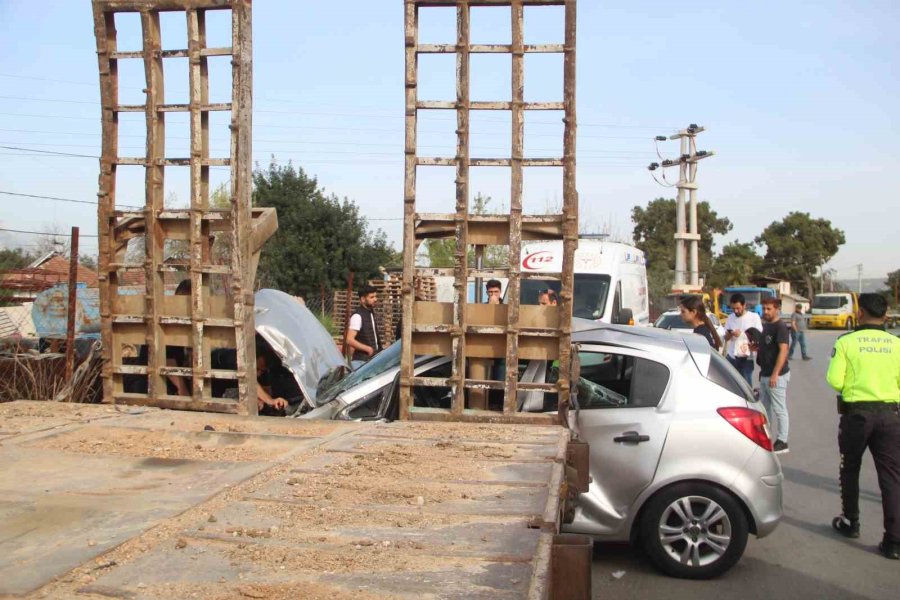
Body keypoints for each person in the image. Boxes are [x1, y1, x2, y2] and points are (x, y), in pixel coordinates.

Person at [826, 293, 900, 560]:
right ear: (885, 314)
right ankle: (893, 541)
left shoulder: (847, 341)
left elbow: (835, 379)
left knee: (850, 468)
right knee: (891, 477)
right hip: (890, 415)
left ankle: (851, 522)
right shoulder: (896, 343)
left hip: (857, 415)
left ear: (860, 313)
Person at [752, 297, 791, 453]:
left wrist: (775, 374)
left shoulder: (780, 327)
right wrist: (756, 347)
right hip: (765, 373)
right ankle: (765, 439)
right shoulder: (767, 326)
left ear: (777, 309)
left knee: (779, 409)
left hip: (777, 375)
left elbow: (783, 350)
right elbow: (767, 347)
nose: (765, 312)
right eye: (764, 308)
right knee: (764, 409)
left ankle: (782, 441)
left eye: (769, 309)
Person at [724, 293, 763, 386]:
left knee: (746, 385)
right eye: (733, 309)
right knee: (730, 384)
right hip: (732, 356)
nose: (736, 311)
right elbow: (726, 338)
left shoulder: (754, 317)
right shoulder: (730, 317)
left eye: (738, 308)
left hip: (746, 357)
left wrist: (742, 334)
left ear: (744, 305)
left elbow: (758, 336)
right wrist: (730, 334)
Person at [346, 284, 382, 370]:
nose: (375, 299)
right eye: (372, 297)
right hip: (361, 362)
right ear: (362, 299)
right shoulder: (357, 316)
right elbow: (349, 340)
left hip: (371, 361)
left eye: (375, 296)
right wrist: (368, 349)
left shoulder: (370, 313)